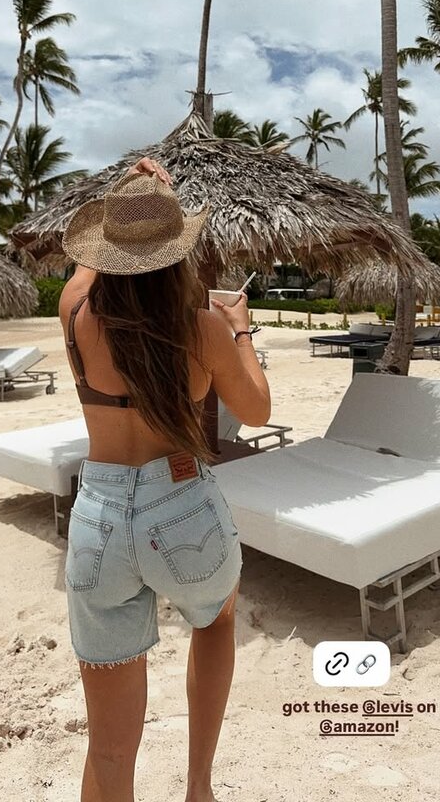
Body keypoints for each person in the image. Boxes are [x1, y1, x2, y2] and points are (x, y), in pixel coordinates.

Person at [58, 155, 271, 802]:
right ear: (176, 253)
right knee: (216, 619)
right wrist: (241, 331)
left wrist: (129, 194)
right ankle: (198, 786)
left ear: (108, 249)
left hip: (97, 513)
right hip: (181, 504)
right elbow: (257, 410)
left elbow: (87, 266)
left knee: (109, 749)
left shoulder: (74, 312)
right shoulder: (203, 330)